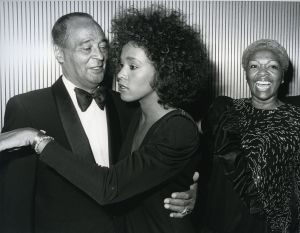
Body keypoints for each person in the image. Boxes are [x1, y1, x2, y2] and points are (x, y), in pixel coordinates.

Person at [0, 6, 208, 233]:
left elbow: (127, 181)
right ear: (59, 54)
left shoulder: (128, 105)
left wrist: (192, 192)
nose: (99, 56)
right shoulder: (27, 108)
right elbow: (14, 203)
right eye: (86, 47)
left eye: (102, 46)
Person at [198, 39, 300, 233]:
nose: (262, 73)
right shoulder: (223, 112)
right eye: (254, 66)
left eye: (272, 66)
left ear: (283, 76)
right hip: (222, 221)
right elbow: (202, 161)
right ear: (246, 74)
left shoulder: (297, 119)